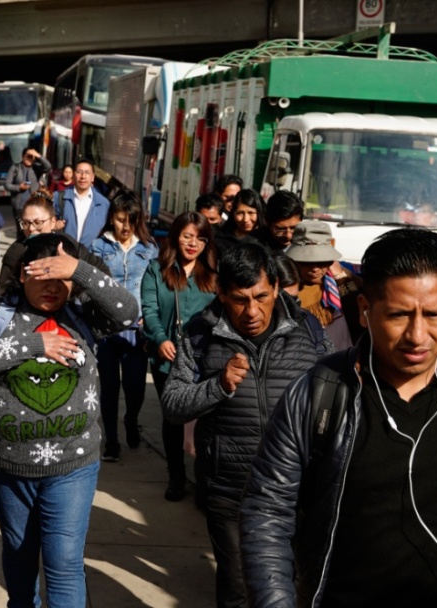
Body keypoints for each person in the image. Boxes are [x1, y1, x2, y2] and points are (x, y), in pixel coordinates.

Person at [241, 227, 437, 607]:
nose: (418, 335)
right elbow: (266, 516)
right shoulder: (319, 394)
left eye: (434, 314)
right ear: (364, 309)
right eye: (399, 315)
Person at [0, 234, 139, 608]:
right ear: (23, 275)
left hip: (72, 466)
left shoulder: (82, 314)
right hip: (9, 466)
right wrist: (38, 345)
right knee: (20, 555)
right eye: (44, 276)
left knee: (64, 563)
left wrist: (81, 270)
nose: (54, 288)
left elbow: (127, 311)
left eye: (62, 278)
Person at [162, 242, 324, 608]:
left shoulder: (308, 330)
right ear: (220, 292)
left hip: (299, 491)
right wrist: (218, 385)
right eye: (239, 299)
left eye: (261, 296)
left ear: (277, 288)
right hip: (230, 491)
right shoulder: (200, 334)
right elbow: (172, 405)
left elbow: (341, 398)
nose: (252, 310)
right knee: (237, 590)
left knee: (296, 588)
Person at [139, 211, 218, 502]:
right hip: (167, 358)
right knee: (173, 418)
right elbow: (149, 310)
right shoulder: (156, 270)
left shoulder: (213, 273)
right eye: (187, 236)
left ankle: (203, 480)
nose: (193, 243)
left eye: (200, 238)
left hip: (204, 360)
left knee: (204, 421)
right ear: (175, 236)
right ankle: (176, 476)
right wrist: (159, 339)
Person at [89, 192, 159, 462]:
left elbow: (152, 287)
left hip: (137, 330)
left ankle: (131, 419)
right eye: (120, 220)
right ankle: (112, 441)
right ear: (112, 219)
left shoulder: (149, 248)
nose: (125, 227)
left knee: (135, 388)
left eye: (130, 220)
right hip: (107, 330)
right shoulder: (98, 247)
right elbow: (91, 286)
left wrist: (149, 319)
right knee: (108, 388)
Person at [0, 194, 109, 298]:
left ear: (53, 222)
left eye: (38, 223)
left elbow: (102, 271)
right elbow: (0, 292)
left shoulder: (67, 244)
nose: (31, 229)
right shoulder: (17, 250)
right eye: (26, 223)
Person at [286, 220, 356, 350]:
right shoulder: (285, 287)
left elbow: (355, 307)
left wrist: (340, 277)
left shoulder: (342, 277)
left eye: (321, 262)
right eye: (306, 262)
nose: (315, 269)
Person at [55, 158, 111, 248]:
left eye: (87, 172)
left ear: (93, 177)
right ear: (73, 175)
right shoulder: (59, 197)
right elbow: (46, 222)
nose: (83, 176)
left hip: (90, 257)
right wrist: (54, 224)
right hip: (64, 254)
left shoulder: (103, 204)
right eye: (79, 172)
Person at [214, 188, 267, 258]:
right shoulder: (220, 239)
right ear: (233, 213)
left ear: (260, 212)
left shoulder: (266, 241)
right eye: (240, 213)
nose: (245, 219)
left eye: (251, 213)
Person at [6, 147, 50, 226]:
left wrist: (38, 155)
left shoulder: (36, 168)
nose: (31, 159)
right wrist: (19, 187)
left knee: (33, 229)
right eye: (28, 156)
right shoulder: (15, 168)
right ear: (23, 156)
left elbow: (48, 167)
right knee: (21, 230)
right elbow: (7, 184)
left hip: (34, 204)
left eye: (33, 157)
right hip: (19, 205)